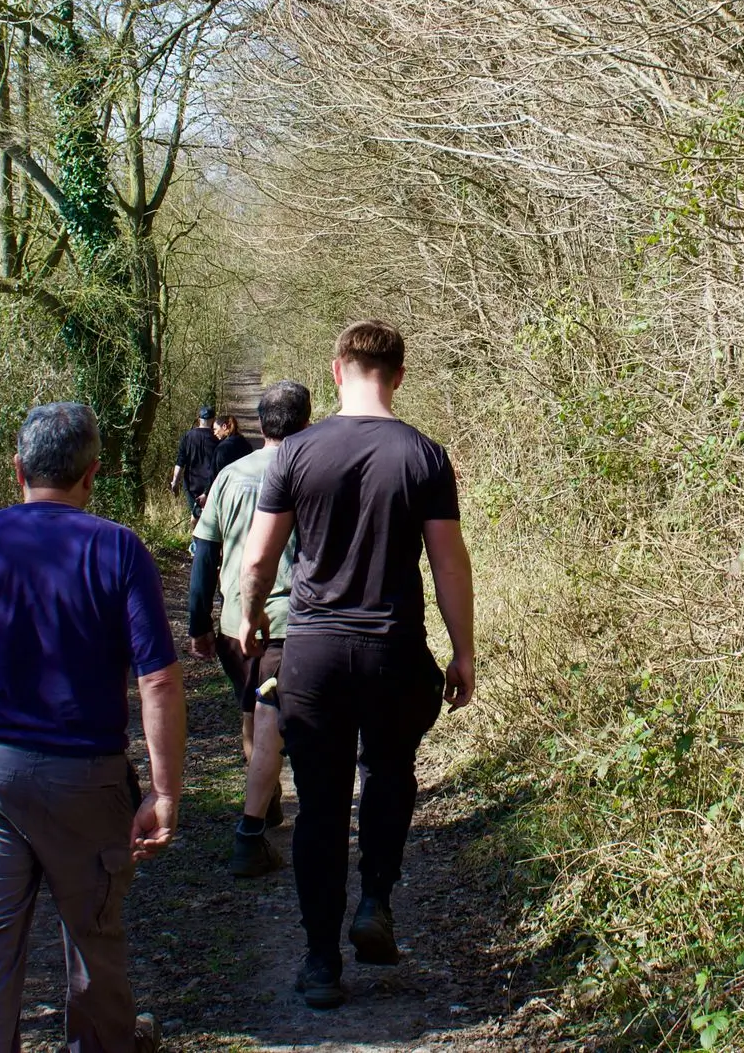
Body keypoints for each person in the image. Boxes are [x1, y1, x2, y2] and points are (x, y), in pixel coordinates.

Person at [0, 403, 185, 1053]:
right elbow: (157, 678)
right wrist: (163, 791)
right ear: (92, 474)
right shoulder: (116, 547)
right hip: (87, 777)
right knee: (93, 945)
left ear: (16, 468)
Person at [237, 321, 476, 1010]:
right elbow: (448, 563)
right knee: (391, 771)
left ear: (337, 370)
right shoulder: (425, 456)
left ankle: (319, 962)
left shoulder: (296, 453)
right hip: (393, 646)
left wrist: (253, 617)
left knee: (317, 801)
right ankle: (374, 896)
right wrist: (462, 650)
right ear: (398, 376)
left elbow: (257, 558)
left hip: (312, 648)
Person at [187, 381, 310, 877]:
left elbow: (204, 554)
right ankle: (262, 810)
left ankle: (264, 800)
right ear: (306, 423)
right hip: (292, 621)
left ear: (260, 424)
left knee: (252, 709)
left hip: (237, 621)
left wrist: (200, 623)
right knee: (275, 718)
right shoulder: (310, 476)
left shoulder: (230, 476)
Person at [169, 406, 220, 518]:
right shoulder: (217, 437)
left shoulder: (188, 436)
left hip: (192, 485)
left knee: (196, 516)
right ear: (213, 420)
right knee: (209, 518)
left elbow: (180, 461)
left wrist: (175, 482)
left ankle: (195, 535)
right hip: (211, 484)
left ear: (198, 419)